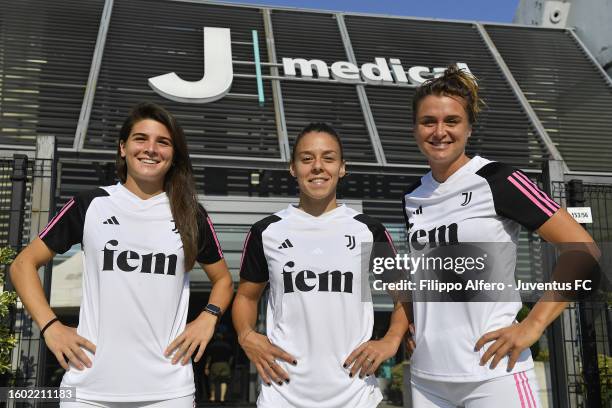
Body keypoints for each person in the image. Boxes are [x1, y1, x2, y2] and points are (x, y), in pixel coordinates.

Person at [9, 102, 234, 407]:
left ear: (173, 155)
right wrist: (50, 327)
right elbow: (22, 265)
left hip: (168, 391)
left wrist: (208, 317)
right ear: (123, 148)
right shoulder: (91, 204)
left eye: (163, 142)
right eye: (141, 138)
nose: (151, 149)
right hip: (88, 388)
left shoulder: (190, 215)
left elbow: (223, 280)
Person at [403, 65, 598, 407]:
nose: (439, 131)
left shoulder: (498, 179)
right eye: (428, 121)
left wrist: (533, 325)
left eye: (451, 121)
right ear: (415, 128)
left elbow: (584, 251)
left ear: (469, 127)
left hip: (493, 372)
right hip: (427, 378)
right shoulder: (412, 196)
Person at [232, 123, 410, 408]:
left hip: (355, 395)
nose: (317, 167)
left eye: (328, 158)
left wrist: (390, 340)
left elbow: (404, 294)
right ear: (293, 168)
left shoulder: (368, 230)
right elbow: (245, 296)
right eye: (307, 159)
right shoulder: (266, 231)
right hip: (282, 393)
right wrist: (246, 335)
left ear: (342, 168)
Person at [204, 332, 233, 402]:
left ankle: (213, 397)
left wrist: (206, 367)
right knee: (224, 381)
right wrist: (229, 364)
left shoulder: (212, 346)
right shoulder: (228, 346)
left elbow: (209, 358)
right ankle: (222, 398)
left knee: (212, 381)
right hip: (225, 364)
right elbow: (231, 357)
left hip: (215, 364)